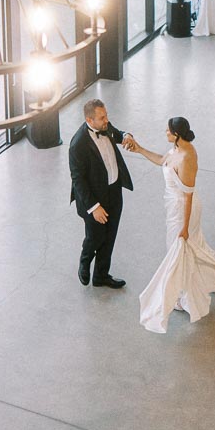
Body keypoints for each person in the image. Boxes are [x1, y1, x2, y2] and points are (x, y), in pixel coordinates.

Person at [126, 116, 215, 334]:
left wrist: (184, 226)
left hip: (184, 211)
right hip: (174, 206)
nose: (165, 133)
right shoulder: (175, 149)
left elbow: (188, 196)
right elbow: (161, 160)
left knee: (177, 251)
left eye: (168, 131)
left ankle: (181, 297)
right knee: (190, 247)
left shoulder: (187, 157)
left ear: (177, 134)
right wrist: (139, 149)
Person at [69, 98, 134, 289]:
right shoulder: (77, 144)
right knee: (95, 236)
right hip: (94, 200)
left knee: (110, 235)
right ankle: (85, 260)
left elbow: (117, 133)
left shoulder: (104, 126)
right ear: (90, 121)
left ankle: (101, 275)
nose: (106, 120)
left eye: (106, 115)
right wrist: (94, 207)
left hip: (114, 191)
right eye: (102, 117)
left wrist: (126, 136)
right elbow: (78, 180)